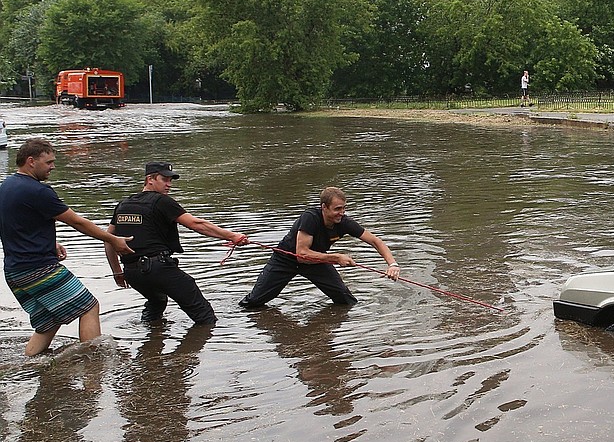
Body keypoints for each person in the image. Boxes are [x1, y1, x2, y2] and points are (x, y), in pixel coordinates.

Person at [0, 137, 134, 357]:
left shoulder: (6, 186)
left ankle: (26, 365)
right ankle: (94, 369)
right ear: (31, 161)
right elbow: (76, 221)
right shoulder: (38, 191)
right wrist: (112, 240)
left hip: (15, 271)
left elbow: (13, 223)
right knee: (89, 306)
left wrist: (47, 241)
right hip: (38, 269)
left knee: (48, 321)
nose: (53, 167)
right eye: (49, 162)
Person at [104, 162, 249, 326]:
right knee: (205, 317)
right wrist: (232, 236)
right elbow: (196, 224)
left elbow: (108, 239)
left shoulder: (124, 204)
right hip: (159, 269)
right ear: (150, 179)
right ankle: (202, 343)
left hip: (132, 273)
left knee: (157, 302)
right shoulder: (161, 201)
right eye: (164, 179)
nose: (169, 185)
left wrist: (117, 272)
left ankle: (151, 341)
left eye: (171, 180)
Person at [239, 186, 402, 309]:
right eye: (337, 209)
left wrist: (392, 264)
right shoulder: (310, 218)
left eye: (344, 208)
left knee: (345, 300)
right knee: (254, 302)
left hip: (316, 261)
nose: (342, 213)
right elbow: (301, 254)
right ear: (324, 207)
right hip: (286, 260)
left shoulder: (344, 222)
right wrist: (336, 258)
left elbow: (375, 241)